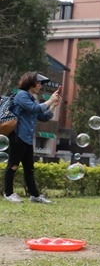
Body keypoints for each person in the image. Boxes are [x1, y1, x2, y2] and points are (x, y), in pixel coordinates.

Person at [4, 72, 61, 204]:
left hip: (28, 139)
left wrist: (53, 106)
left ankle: (34, 195)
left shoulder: (31, 98)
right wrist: (50, 100)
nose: (40, 86)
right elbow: (34, 109)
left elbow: (43, 116)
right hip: (18, 137)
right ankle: (8, 193)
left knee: (29, 168)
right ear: (30, 82)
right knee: (13, 165)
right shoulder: (21, 95)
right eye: (39, 83)